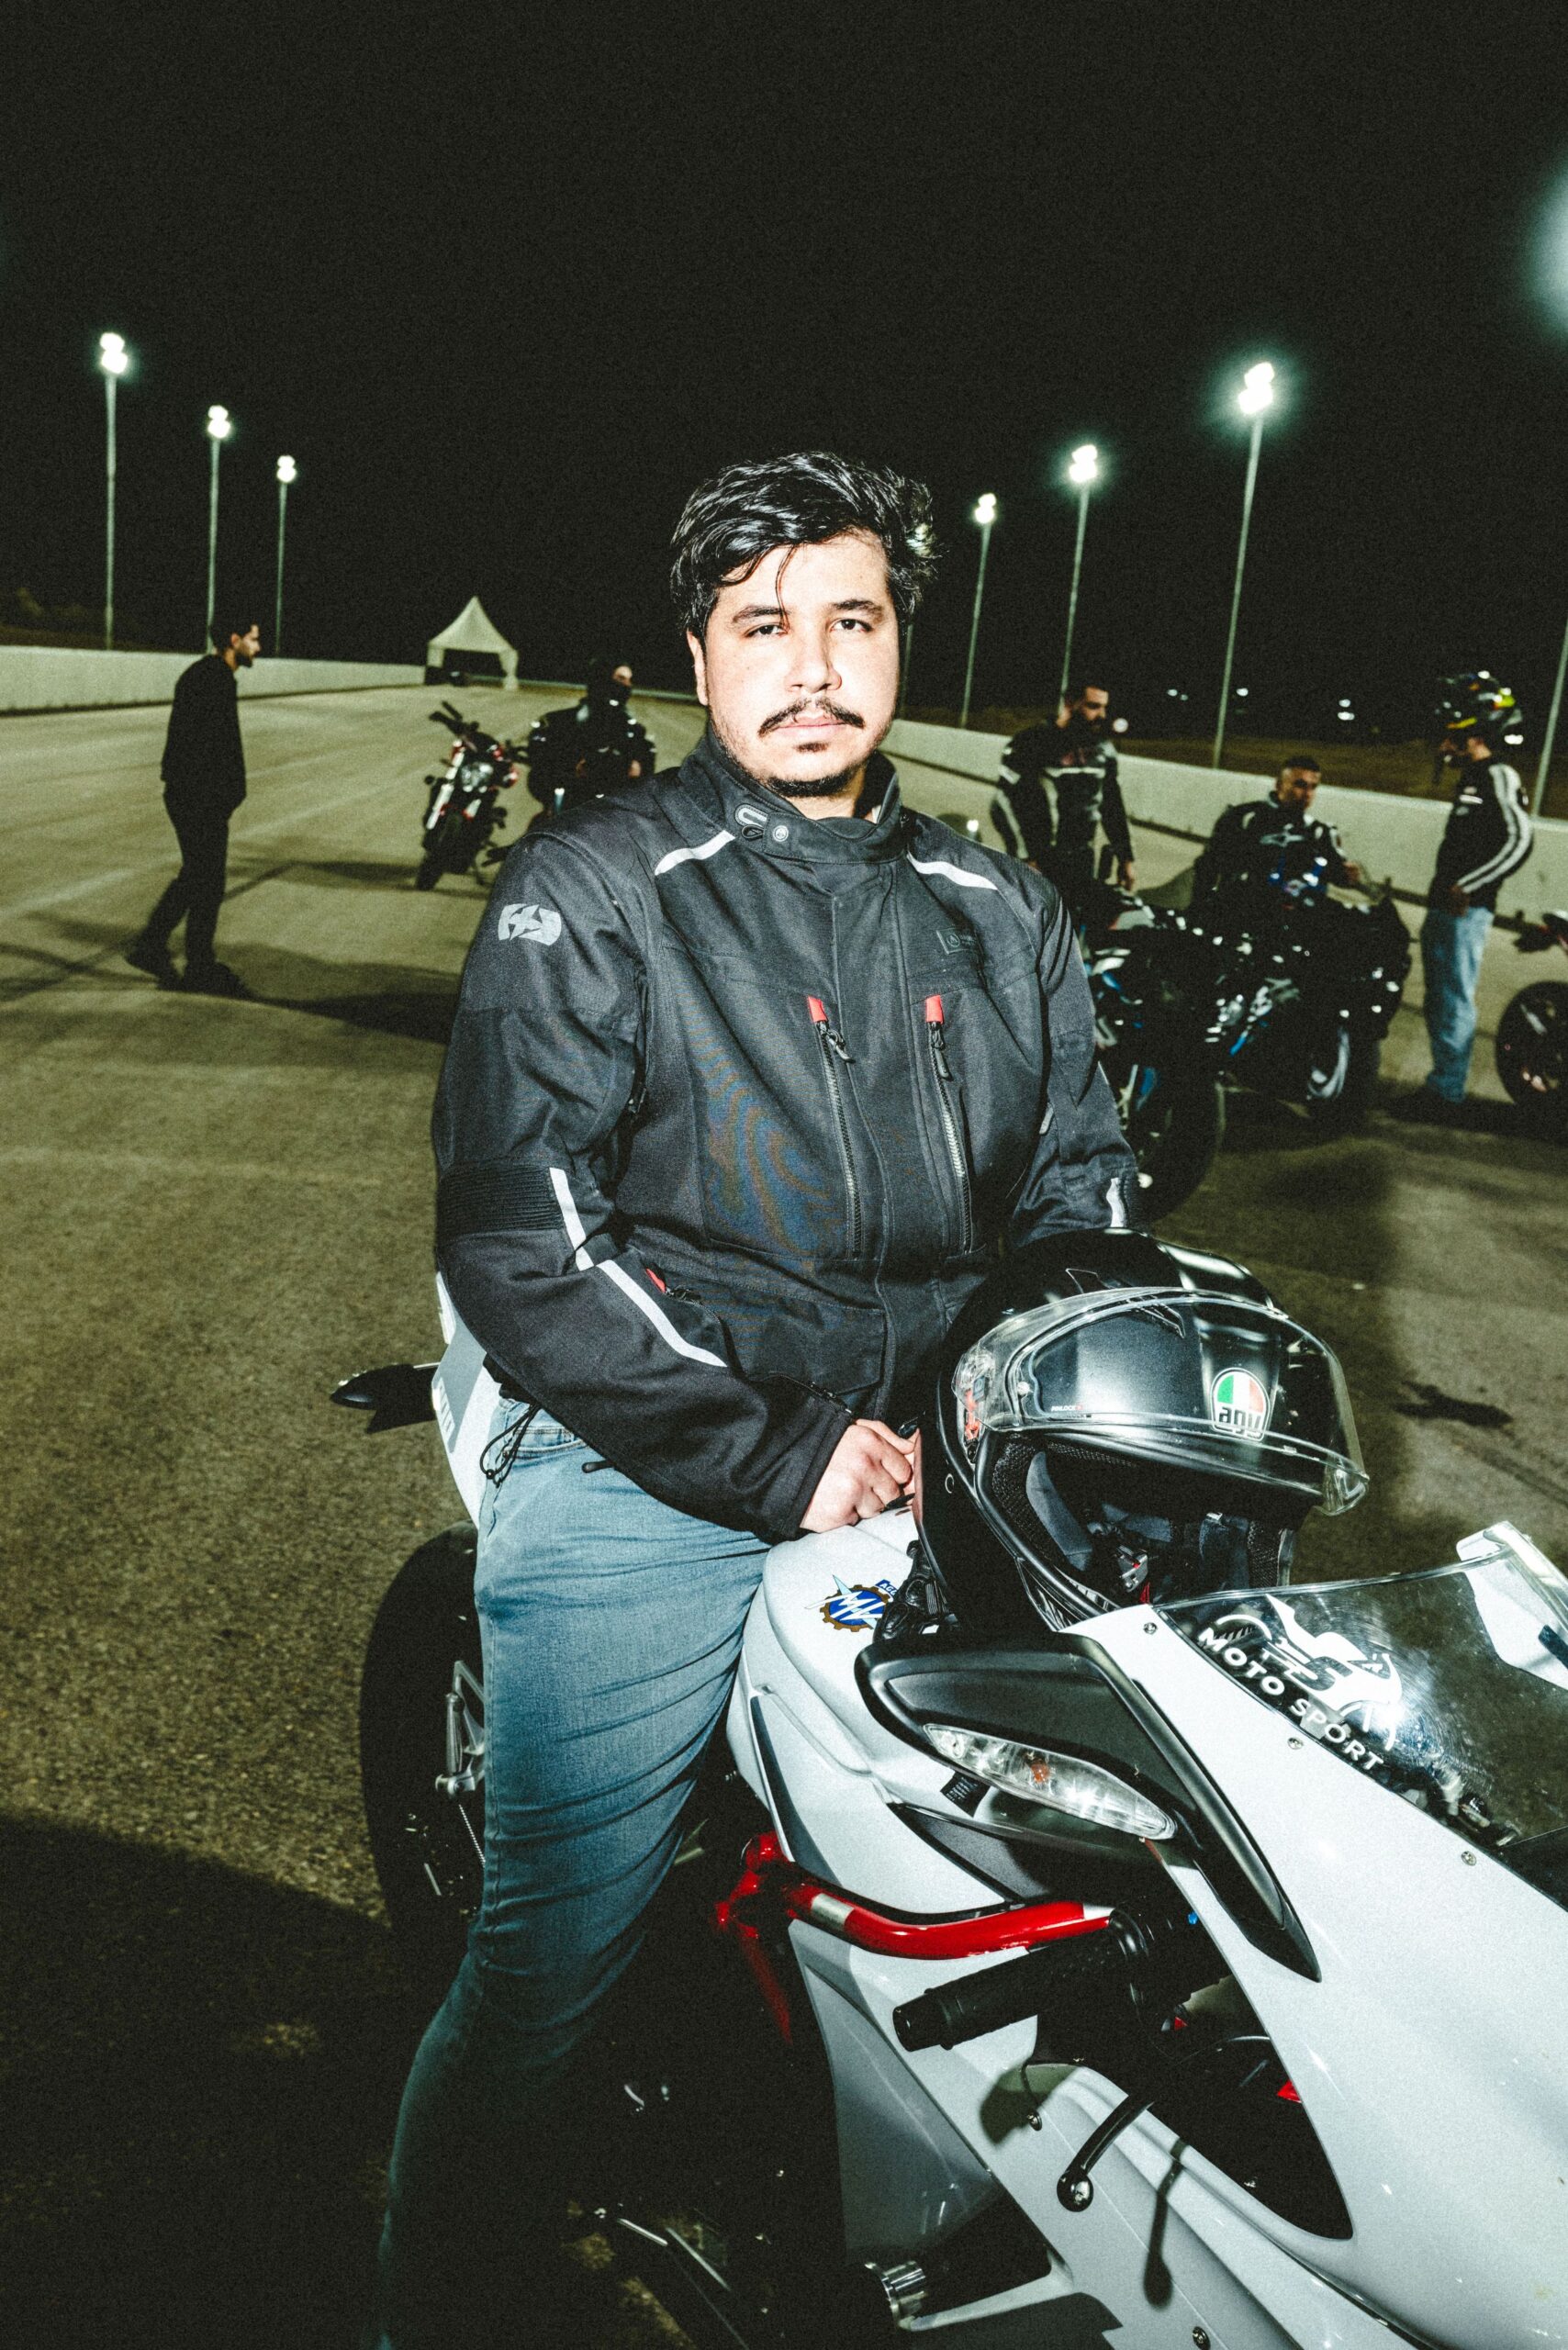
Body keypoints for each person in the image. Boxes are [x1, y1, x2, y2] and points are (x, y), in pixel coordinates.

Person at [372, 450, 1139, 2345]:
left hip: (944, 1460)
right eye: (762, 625)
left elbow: (1078, 1195)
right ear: (699, 656)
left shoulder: (997, 901)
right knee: (548, 1959)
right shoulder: (589, 885)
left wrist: (1025, 1413)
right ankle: (428, 2304)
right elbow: (520, 1237)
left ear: (898, 644)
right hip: (658, 1447)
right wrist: (778, 1453)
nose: (812, 664)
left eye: (850, 619)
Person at [1401, 677, 1532, 1121]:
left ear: (1474, 733)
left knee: (1454, 999)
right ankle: (1442, 1083)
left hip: (1467, 911)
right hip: (1445, 907)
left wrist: (1469, 886)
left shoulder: (1499, 774)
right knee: (1439, 999)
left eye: (1450, 735)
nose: (1443, 744)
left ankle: (1447, 1093)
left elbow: (1519, 841)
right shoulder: (1472, 778)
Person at [125, 613, 261, 996]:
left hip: (190, 792)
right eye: (253, 639)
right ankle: (199, 966)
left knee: (198, 874)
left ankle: (152, 944)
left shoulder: (203, 674)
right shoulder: (215, 680)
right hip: (199, 796)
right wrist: (225, 794)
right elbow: (217, 745)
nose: (258, 647)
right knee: (209, 882)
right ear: (233, 640)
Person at [994, 679, 1135, 917]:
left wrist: (1125, 858)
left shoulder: (1103, 750)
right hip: (1039, 860)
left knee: (1075, 925)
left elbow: (1112, 806)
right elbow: (1003, 802)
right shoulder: (1031, 742)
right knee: (1028, 926)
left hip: (1082, 860)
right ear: (1070, 703)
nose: (1102, 715)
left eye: (1104, 707)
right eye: (1093, 706)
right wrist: (1026, 857)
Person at [1191, 755, 1362, 912]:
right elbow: (1208, 866)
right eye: (1300, 785)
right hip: (1242, 910)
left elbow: (1336, 874)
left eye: (1313, 787)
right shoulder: (1243, 818)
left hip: (1297, 916)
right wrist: (1200, 908)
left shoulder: (1318, 831)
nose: (1307, 794)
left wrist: (1348, 876)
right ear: (1279, 784)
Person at [523, 655, 656, 819]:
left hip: (609, 812)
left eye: (629, 680)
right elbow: (541, 764)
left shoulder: (633, 730)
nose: (627, 686)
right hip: (566, 802)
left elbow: (642, 774)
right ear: (602, 678)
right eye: (621, 678)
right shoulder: (559, 721)